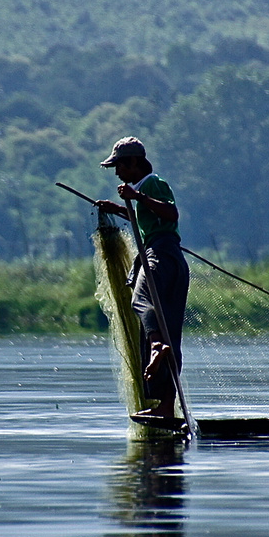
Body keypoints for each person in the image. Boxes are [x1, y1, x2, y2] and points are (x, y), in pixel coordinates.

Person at [96, 137, 189, 421]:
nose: (117, 172)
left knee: (140, 300)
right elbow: (147, 215)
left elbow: (170, 212)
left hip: (160, 255)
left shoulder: (151, 183)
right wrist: (120, 209)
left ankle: (157, 345)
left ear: (135, 162)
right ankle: (165, 406)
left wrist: (136, 197)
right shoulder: (142, 192)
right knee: (168, 330)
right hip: (171, 260)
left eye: (120, 165)